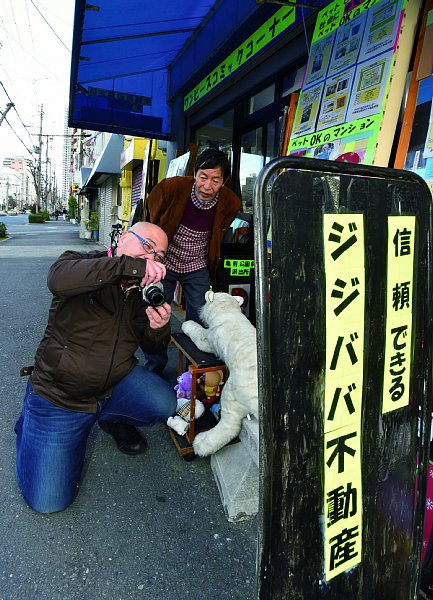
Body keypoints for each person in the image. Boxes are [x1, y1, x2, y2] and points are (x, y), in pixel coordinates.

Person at [14, 222, 176, 514]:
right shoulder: (81, 265)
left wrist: (159, 328)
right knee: (49, 502)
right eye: (147, 247)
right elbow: (57, 279)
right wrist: (130, 267)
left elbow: (152, 348)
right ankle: (31, 421)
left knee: (165, 403)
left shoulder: (143, 293)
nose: (153, 259)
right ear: (124, 238)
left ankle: (109, 418)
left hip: (114, 384)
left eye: (160, 256)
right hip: (60, 398)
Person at [146, 147, 241, 374]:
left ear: (223, 182)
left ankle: (193, 372)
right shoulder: (173, 188)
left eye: (215, 180)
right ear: (195, 174)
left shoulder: (230, 202)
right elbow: (153, 207)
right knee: (157, 312)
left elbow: (222, 227)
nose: (207, 186)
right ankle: (154, 367)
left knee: (199, 319)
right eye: (203, 177)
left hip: (197, 266)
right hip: (166, 263)